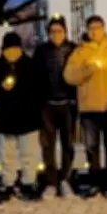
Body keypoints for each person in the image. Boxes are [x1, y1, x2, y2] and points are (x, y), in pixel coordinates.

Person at [63, 15, 107, 198]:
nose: (95, 31)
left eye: (98, 27)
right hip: (89, 107)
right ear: (88, 30)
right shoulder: (81, 52)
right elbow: (69, 76)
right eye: (91, 28)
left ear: (104, 28)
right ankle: (95, 182)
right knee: (92, 147)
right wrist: (86, 71)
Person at [0, 32, 41, 203]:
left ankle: (28, 182)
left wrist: (34, 105)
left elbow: (41, 88)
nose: (12, 53)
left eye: (16, 49)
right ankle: (8, 182)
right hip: (5, 118)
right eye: (9, 49)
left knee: (28, 154)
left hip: (28, 118)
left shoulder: (31, 65)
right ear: (3, 50)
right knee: (6, 154)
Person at [33, 15, 78, 199]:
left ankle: (65, 180)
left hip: (67, 104)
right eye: (52, 31)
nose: (55, 34)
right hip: (47, 106)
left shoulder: (74, 49)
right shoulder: (41, 51)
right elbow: (34, 75)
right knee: (48, 146)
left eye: (59, 31)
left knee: (68, 144)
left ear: (65, 32)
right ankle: (50, 182)